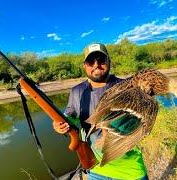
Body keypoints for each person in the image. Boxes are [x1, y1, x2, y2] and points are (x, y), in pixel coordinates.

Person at [53, 43, 148, 179]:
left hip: (130, 170)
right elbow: (70, 116)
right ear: (84, 66)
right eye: (91, 61)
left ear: (109, 61)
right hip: (96, 169)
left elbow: (143, 123)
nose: (96, 65)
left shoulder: (128, 87)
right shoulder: (77, 91)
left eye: (101, 60)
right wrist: (59, 124)